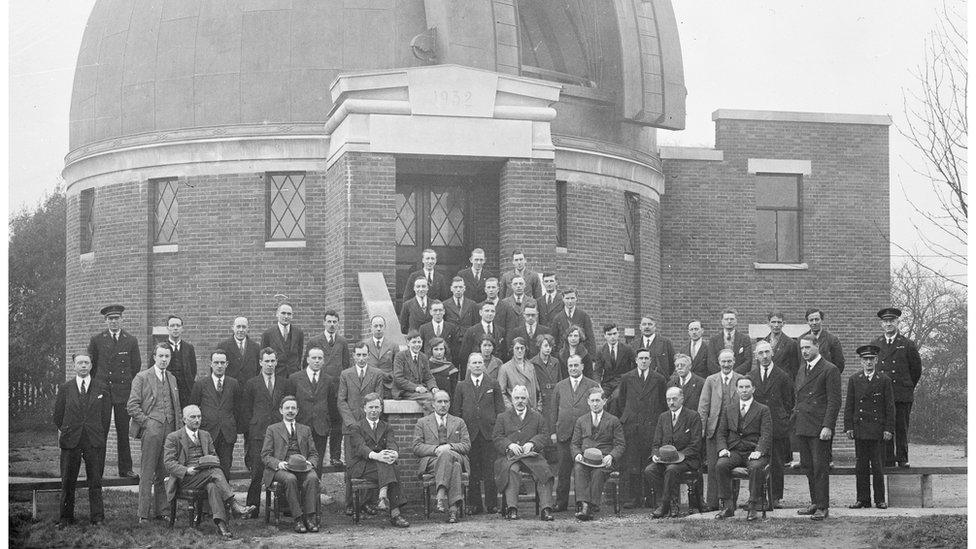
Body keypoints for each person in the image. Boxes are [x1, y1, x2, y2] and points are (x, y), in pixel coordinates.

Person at [163, 405, 255, 538]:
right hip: (185, 479)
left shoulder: (205, 435)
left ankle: (222, 526)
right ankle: (233, 504)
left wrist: (208, 463)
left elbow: (214, 456)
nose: (197, 420)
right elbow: (169, 463)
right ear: (184, 419)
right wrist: (186, 470)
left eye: (199, 417)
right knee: (215, 472)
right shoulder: (174, 437)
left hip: (205, 474)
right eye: (193, 417)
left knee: (213, 485)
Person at [53, 352, 112, 527]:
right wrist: (68, 430)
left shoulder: (101, 387)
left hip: (93, 440)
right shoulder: (65, 388)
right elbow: (58, 416)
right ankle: (65, 518)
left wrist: (98, 433)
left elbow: (106, 416)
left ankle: (98, 518)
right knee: (68, 480)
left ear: (91, 365)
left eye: (86, 362)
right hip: (71, 440)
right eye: (80, 363)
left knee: (95, 480)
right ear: (74, 366)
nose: (83, 366)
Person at [127, 342, 183, 522]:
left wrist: (178, 429)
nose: (164, 359)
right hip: (151, 431)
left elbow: (176, 406)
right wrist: (147, 423)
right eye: (161, 356)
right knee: (147, 472)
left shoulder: (172, 378)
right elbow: (132, 405)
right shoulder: (142, 377)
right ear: (154, 357)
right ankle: (143, 513)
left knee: (164, 472)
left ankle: (163, 511)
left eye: (167, 356)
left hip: (170, 430)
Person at [88, 303, 141, 478]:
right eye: (110, 319)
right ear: (106, 321)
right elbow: (92, 366)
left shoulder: (130, 340)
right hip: (103, 391)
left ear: (122, 319)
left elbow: (136, 366)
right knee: (101, 430)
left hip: (122, 392)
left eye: (116, 318)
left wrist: (127, 386)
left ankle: (125, 469)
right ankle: (98, 470)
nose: (114, 322)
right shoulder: (97, 340)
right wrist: (97, 387)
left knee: (123, 431)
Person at [240, 348, 294, 516]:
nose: (270, 364)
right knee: (257, 472)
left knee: (282, 469)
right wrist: (250, 432)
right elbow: (246, 411)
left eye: (272, 361)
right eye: (267, 361)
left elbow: (288, 408)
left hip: (279, 433)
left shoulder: (285, 383)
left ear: (276, 362)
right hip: (258, 433)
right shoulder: (251, 384)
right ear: (260, 362)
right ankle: (253, 509)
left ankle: (285, 507)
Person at [793, 334, 841, 520]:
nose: (804, 351)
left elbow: (834, 401)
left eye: (807, 347)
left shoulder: (830, 369)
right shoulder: (802, 369)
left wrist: (828, 426)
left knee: (820, 467)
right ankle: (814, 502)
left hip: (820, 427)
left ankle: (823, 506)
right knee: (808, 467)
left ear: (817, 346)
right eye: (802, 348)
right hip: (803, 425)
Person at [451, 353, 505, 515]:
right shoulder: (461, 386)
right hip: (470, 433)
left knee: (490, 469)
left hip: (489, 432)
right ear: (468, 365)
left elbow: (500, 410)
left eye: (480, 362)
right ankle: (475, 504)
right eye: (474, 362)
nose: (477, 365)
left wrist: (497, 429)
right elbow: (456, 411)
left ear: (483, 365)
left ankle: (492, 504)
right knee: (472, 469)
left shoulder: (493, 384)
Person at [492, 384, 556, 521]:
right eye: (517, 398)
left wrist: (532, 443)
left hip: (531, 457)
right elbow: (497, 437)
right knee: (511, 471)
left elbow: (544, 435)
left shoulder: (537, 416)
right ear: (512, 399)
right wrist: (509, 445)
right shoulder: (503, 417)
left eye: (523, 398)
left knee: (543, 471)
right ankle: (512, 508)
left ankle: (546, 509)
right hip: (511, 457)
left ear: (527, 399)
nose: (520, 401)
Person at [347, 394, 411, 527]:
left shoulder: (386, 426)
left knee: (389, 463)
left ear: (381, 408)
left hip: (381, 466)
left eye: (377, 407)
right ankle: (395, 514)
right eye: (370, 407)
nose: (374, 410)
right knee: (391, 466)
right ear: (364, 408)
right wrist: (378, 456)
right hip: (362, 466)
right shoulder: (356, 427)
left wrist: (393, 453)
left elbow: (392, 444)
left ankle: (383, 496)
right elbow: (360, 448)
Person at [337, 342, 386, 516]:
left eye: (365, 355)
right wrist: (351, 423)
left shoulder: (377, 374)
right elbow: (341, 400)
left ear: (369, 356)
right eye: (358, 355)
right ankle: (350, 503)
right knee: (352, 465)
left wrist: (367, 422)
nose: (361, 358)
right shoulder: (345, 374)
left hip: (370, 426)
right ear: (353, 356)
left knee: (370, 462)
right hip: (351, 427)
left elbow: (378, 400)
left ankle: (367, 502)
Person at [845, 344, 895, 509]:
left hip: (878, 431)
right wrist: (849, 427)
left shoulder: (884, 380)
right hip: (860, 430)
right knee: (861, 466)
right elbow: (849, 405)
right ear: (861, 361)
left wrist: (888, 429)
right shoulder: (854, 379)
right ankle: (863, 499)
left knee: (878, 466)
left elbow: (890, 407)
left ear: (876, 360)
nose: (868, 362)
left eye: (871, 359)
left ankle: (880, 499)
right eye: (865, 359)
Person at [714, 377, 772, 521]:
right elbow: (721, 432)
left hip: (753, 452)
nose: (744, 390)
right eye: (741, 387)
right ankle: (728, 506)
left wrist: (759, 450)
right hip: (734, 451)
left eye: (747, 387)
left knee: (756, 467)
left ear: (753, 389)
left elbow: (767, 433)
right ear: (737, 389)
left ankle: (752, 506)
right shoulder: (729, 409)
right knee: (721, 465)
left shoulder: (762, 409)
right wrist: (722, 448)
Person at [261, 395, 321, 533]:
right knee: (290, 479)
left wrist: (310, 463)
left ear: (297, 411)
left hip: (302, 467)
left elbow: (314, 453)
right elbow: (265, 455)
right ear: (281, 410)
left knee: (312, 478)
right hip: (280, 469)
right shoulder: (272, 429)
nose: (290, 411)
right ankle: (298, 519)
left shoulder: (305, 429)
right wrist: (278, 463)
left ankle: (309, 518)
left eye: (293, 408)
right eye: (287, 408)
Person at [616, 348, 667, 508]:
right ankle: (633, 498)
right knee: (632, 463)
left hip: (651, 425)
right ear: (636, 360)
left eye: (646, 358)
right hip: (632, 426)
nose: (644, 361)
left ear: (651, 360)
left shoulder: (659, 379)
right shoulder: (627, 378)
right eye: (641, 358)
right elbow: (621, 402)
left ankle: (650, 497)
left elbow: (662, 403)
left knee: (648, 461)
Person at [871, 307, 922, 468]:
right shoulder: (875, 344)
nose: (888, 324)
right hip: (882, 394)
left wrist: (906, 386)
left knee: (901, 427)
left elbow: (916, 370)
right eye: (885, 321)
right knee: (884, 426)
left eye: (892, 321)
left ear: (897, 322)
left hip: (901, 393)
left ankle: (902, 458)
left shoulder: (907, 344)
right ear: (881, 324)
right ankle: (887, 459)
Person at [747, 341, 794, 509]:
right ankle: (757, 497)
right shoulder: (751, 376)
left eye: (767, 352)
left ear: (772, 353)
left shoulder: (783, 376)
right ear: (756, 356)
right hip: (757, 426)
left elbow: (789, 402)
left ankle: (774, 498)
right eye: (761, 353)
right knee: (757, 462)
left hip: (777, 425)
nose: (765, 356)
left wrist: (782, 418)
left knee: (776, 463)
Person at [413, 390, 471, 523]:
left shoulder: (459, 422)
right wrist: (436, 449)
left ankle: (441, 493)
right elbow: (416, 447)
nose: (443, 404)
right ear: (433, 404)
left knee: (449, 456)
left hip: (456, 455)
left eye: (446, 401)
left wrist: (449, 447)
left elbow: (466, 445)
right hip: (433, 461)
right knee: (454, 467)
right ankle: (453, 510)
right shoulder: (422, 422)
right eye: (439, 401)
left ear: (450, 404)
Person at [644, 386, 703, 518]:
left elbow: (695, 445)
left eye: (674, 399)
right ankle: (664, 502)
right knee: (650, 470)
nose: (671, 402)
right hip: (665, 459)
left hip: (687, 459)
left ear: (682, 399)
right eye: (668, 399)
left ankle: (668, 504)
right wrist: (655, 455)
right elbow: (656, 443)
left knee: (671, 469)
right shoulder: (663, 417)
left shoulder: (693, 416)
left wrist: (678, 456)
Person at [551, 355, 600, 511]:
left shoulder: (592, 385)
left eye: (576, 365)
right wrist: (553, 431)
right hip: (564, 433)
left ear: (582, 366)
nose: (573, 368)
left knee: (583, 470)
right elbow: (553, 410)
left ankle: (583, 503)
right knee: (563, 470)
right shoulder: (560, 386)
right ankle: (561, 503)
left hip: (585, 435)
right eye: (570, 365)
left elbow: (598, 409)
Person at [698, 348, 743, 511]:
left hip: (733, 431)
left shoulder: (741, 379)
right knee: (713, 466)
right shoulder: (711, 380)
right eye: (723, 361)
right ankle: (713, 503)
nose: (726, 364)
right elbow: (703, 406)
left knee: (730, 466)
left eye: (729, 361)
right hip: (714, 429)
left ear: (734, 362)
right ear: (719, 362)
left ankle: (731, 502)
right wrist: (702, 429)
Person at [304, 309, 351, 466]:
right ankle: (313, 455)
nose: (332, 325)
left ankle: (335, 456)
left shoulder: (342, 342)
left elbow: (346, 366)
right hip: (319, 387)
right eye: (329, 321)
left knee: (337, 421)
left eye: (334, 322)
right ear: (324, 322)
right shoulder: (314, 341)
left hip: (337, 388)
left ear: (338, 323)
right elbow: (306, 366)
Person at [571, 387, 625, 521]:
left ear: (604, 401)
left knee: (598, 472)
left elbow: (620, 444)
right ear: (588, 402)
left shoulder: (613, 420)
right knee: (578, 468)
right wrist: (577, 453)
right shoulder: (581, 420)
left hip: (604, 460)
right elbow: (574, 443)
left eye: (598, 400)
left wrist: (611, 456)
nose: (595, 404)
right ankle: (585, 505)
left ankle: (589, 506)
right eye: (592, 401)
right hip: (586, 459)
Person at [189, 350, 241, 478]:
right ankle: (209, 498)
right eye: (216, 362)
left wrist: (233, 426)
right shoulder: (201, 384)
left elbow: (238, 408)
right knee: (208, 467)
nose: (219, 365)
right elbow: (193, 407)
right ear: (210, 364)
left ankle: (225, 497)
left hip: (227, 433)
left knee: (225, 467)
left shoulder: (233, 383)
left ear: (227, 364)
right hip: (208, 432)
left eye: (222, 362)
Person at [288, 346, 337, 473]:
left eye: (320, 358)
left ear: (323, 361)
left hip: (321, 428)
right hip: (301, 427)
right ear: (307, 360)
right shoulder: (295, 378)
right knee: (299, 462)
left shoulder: (329, 380)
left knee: (317, 464)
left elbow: (331, 406)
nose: (317, 361)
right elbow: (290, 403)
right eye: (314, 358)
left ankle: (315, 492)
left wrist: (328, 425)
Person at [392, 332, 438, 411]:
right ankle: (432, 421)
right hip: (404, 391)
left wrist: (433, 387)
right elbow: (398, 378)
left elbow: (428, 377)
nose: (417, 345)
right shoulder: (400, 356)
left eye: (419, 342)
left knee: (440, 395)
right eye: (414, 342)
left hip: (421, 391)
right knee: (430, 398)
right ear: (408, 343)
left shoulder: (423, 357)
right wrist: (416, 388)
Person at [532, 334, 563, 448]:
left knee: (553, 426)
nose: (548, 348)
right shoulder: (533, 363)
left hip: (553, 398)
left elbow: (559, 381)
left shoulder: (555, 362)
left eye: (550, 346)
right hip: (541, 399)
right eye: (545, 345)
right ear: (540, 346)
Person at [460, 302, 506, 377]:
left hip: (496, 373)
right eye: (487, 311)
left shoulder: (501, 331)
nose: (490, 314)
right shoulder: (471, 331)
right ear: (480, 312)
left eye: (492, 311)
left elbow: (503, 354)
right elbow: (464, 357)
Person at [596, 323, 636, 405]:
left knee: (615, 398)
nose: (612, 337)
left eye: (614, 333)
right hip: (607, 383)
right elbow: (597, 370)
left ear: (618, 334)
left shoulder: (627, 349)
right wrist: (598, 385)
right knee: (599, 398)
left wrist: (631, 379)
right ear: (605, 336)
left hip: (622, 382)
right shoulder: (601, 351)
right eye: (609, 334)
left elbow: (636, 365)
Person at [261, 303, 306, 377]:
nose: (286, 316)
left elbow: (299, 354)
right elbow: (263, 356)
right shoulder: (268, 334)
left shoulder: (298, 333)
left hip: (294, 375)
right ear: (277, 314)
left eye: (289, 314)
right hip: (276, 375)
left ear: (292, 316)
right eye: (283, 313)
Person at [163, 315, 198, 407]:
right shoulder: (161, 348)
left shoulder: (189, 348)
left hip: (185, 392)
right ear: (167, 328)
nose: (175, 328)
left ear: (182, 328)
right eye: (172, 326)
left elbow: (193, 370)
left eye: (178, 326)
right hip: (167, 391)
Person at [551, 289, 596, 357]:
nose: (570, 301)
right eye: (567, 298)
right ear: (563, 299)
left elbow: (590, 339)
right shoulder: (557, 318)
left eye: (572, 298)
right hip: (562, 357)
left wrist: (592, 358)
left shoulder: (584, 316)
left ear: (576, 298)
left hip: (580, 356)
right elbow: (554, 340)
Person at [497, 337, 539, 410]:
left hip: (531, 409)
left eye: (522, 348)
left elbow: (537, 389)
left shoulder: (531, 366)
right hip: (516, 409)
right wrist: (511, 408)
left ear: (525, 349)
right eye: (517, 348)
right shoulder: (505, 368)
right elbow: (501, 392)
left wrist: (538, 407)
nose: (520, 351)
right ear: (512, 350)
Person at [708, 308, 753, 375]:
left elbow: (748, 361)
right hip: (719, 378)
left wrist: (733, 374)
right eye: (726, 319)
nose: (729, 321)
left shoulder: (745, 339)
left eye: (732, 319)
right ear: (722, 321)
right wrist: (722, 374)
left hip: (739, 378)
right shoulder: (714, 340)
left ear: (736, 321)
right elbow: (711, 362)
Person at [217, 316, 261, 383]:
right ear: (233, 328)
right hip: (230, 388)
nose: (241, 330)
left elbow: (258, 369)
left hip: (249, 388)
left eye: (244, 327)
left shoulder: (256, 347)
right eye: (238, 327)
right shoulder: (223, 346)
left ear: (248, 328)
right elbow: (217, 369)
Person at [419, 300, 462, 369]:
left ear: (444, 311)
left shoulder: (452, 327)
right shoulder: (423, 328)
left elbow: (455, 350)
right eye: (435, 310)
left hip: (446, 366)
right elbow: (421, 349)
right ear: (430, 312)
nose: (438, 313)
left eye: (440, 310)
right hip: (429, 366)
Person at [801, 308, 846, 373]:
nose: (814, 323)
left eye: (817, 319)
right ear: (807, 322)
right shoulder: (801, 339)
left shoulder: (832, 340)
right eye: (811, 320)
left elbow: (839, 364)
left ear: (821, 320)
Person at [365, 315, 399, 398]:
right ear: (371, 327)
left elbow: (398, 367)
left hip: (388, 384)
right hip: (369, 384)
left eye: (381, 326)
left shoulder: (393, 345)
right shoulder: (365, 345)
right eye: (376, 326)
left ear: (385, 327)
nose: (378, 328)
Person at [763, 312, 801, 381]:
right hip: (767, 381)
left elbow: (795, 369)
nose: (776, 325)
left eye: (779, 322)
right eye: (773, 322)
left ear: (783, 323)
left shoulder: (791, 343)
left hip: (783, 382)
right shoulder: (763, 343)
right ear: (768, 323)